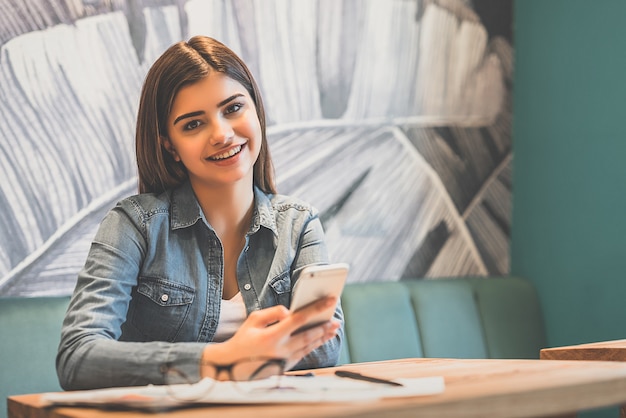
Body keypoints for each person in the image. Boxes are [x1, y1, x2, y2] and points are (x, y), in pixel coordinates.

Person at [56, 35, 343, 390]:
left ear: (256, 111)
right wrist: (219, 361)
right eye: (193, 124)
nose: (222, 134)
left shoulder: (299, 225)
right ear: (169, 146)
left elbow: (326, 345)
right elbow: (77, 357)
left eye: (234, 108)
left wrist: (252, 355)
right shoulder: (134, 226)